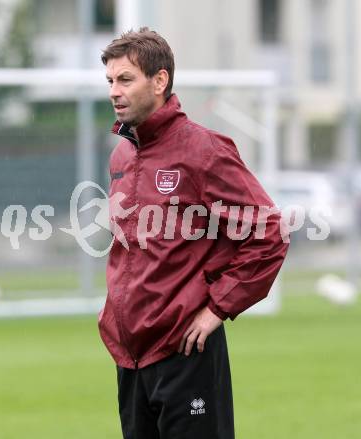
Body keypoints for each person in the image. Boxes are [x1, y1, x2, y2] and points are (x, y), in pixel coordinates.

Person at [98, 27, 289, 439]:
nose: (115, 91)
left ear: (160, 80)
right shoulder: (122, 154)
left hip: (185, 348)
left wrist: (217, 308)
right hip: (130, 355)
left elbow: (268, 236)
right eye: (110, 81)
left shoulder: (204, 150)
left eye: (126, 79)